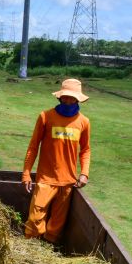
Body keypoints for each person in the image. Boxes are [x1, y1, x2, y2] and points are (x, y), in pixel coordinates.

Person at [22, 78, 91, 244]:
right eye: (65, 97)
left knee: (56, 225)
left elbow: (86, 150)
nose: (68, 101)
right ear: (60, 97)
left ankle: (48, 249)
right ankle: (30, 247)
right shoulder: (46, 117)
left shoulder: (84, 122)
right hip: (46, 179)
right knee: (35, 219)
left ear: (78, 99)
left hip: (68, 182)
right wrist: (26, 173)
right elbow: (33, 147)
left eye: (72, 98)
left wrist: (84, 174)